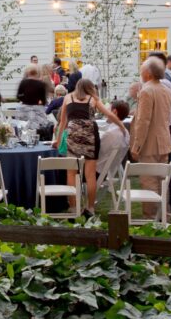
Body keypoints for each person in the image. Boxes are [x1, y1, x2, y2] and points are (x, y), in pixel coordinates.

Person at [53, 78, 127, 218]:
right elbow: (109, 114)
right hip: (90, 136)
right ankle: (90, 208)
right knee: (90, 174)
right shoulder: (93, 99)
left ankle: (73, 207)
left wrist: (57, 140)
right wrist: (122, 126)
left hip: (73, 135)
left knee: (71, 174)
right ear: (90, 88)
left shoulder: (68, 97)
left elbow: (63, 122)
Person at [128, 58, 171, 219]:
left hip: (149, 142)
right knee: (162, 180)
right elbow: (167, 115)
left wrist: (136, 146)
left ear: (147, 73)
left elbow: (143, 121)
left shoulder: (147, 90)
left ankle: (151, 217)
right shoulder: (166, 89)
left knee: (149, 181)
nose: (141, 73)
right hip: (164, 139)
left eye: (141, 70)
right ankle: (165, 214)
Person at [16, 64, 50, 132]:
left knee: (24, 129)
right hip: (37, 111)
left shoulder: (23, 83)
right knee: (38, 130)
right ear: (37, 73)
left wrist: (25, 98)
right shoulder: (41, 84)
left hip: (25, 110)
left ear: (28, 72)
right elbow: (43, 100)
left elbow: (18, 96)